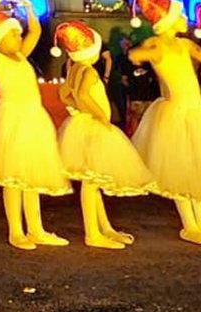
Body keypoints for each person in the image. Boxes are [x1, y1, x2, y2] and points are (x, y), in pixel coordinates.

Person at [129, 0, 201, 247]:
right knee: (181, 167)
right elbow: (136, 54)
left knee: (199, 167)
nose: (185, 20)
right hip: (175, 111)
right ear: (168, 20)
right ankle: (190, 225)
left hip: (195, 110)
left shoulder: (186, 45)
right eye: (179, 16)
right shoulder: (157, 45)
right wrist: (142, 53)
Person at [0, 0, 70, 250]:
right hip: (13, 118)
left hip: (33, 117)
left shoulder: (21, 56)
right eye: (13, 33)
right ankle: (16, 231)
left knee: (31, 175)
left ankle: (37, 229)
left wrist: (28, 9)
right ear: (0, 39)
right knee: (13, 176)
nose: (19, 36)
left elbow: (36, 31)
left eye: (19, 33)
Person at [53, 20, 152, 249]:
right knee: (91, 182)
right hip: (93, 128)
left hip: (82, 125)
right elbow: (85, 95)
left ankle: (104, 227)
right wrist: (100, 115)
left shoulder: (74, 69)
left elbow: (64, 95)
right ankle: (92, 233)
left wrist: (77, 107)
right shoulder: (87, 70)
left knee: (93, 181)